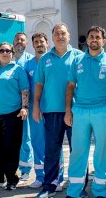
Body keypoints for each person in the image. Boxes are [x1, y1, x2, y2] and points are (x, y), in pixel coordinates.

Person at [65, 26, 106, 198]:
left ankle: (100, 191)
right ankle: (74, 192)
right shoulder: (77, 61)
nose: (94, 40)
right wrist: (68, 111)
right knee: (78, 152)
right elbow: (70, 86)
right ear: (87, 40)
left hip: (103, 111)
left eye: (98, 37)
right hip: (80, 111)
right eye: (91, 36)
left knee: (103, 151)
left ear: (103, 41)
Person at [34, 23, 83, 198]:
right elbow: (39, 84)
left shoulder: (79, 56)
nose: (60, 36)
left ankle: (78, 187)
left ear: (69, 36)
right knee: (52, 150)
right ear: (52, 37)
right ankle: (49, 186)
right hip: (51, 111)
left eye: (63, 33)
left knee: (77, 150)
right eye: (56, 33)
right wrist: (36, 106)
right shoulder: (45, 58)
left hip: (76, 111)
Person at [0, 42, 30, 191]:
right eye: (2, 50)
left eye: (8, 51)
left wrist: (24, 107)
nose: (5, 53)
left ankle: (11, 179)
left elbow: (25, 90)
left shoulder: (18, 70)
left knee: (11, 148)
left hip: (12, 114)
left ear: (12, 53)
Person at [24, 32, 64, 190]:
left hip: (54, 109)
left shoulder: (53, 60)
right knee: (38, 143)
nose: (39, 44)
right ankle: (40, 177)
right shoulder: (28, 65)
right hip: (36, 111)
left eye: (41, 41)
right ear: (32, 45)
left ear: (47, 42)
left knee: (55, 144)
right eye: (36, 42)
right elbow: (24, 88)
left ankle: (57, 179)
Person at [13, 32, 35, 181]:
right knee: (10, 139)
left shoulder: (29, 61)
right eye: (17, 40)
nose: (19, 42)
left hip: (25, 106)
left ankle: (26, 169)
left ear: (26, 43)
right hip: (9, 106)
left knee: (25, 137)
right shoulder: (7, 58)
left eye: (22, 40)